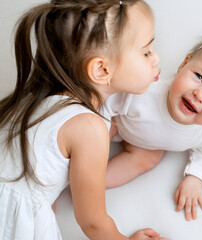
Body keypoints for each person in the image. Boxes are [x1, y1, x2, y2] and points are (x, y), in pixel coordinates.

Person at [0, 0, 168, 239]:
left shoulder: (32, 99)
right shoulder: (89, 127)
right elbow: (93, 222)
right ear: (101, 70)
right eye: (146, 52)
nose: (156, 58)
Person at [103, 32, 202, 221]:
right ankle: (80, 169)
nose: (200, 95)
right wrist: (103, 129)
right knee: (97, 131)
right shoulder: (145, 91)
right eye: (199, 76)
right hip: (117, 122)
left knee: (149, 158)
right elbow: (106, 103)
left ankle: (94, 182)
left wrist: (196, 178)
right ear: (183, 65)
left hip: (144, 147)